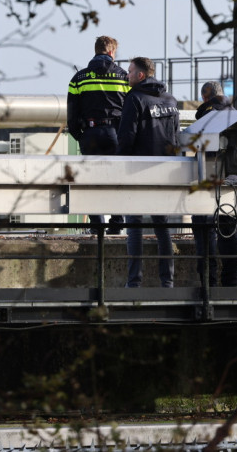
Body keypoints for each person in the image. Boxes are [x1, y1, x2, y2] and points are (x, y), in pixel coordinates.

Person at [116, 57, 179, 287]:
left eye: (130, 71)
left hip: (138, 171)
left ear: (141, 75)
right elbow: (175, 137)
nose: (127, 75)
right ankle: (167, 282)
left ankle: (134, 282)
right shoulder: (171, 100)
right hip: (163, 171)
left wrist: (120, 165)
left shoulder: (134, 99)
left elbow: (126, 137)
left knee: (134, 225)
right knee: (162, 226)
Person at [67, 35, 129, 234]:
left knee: (91, 181)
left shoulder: (79, 78)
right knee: (118, 179)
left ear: (96, 51)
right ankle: (117, 224)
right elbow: (132, 109)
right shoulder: (124, 76)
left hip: (90, 133)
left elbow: (72, 114)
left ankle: (97, 226)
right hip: (117, 134)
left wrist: (81, 135)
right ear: (112, 52)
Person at [191, 81, 237, 287]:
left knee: (205, 242)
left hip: (206, 185)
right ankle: (231, 287)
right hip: (231, 187)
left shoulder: (205, 117)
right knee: (230, 239)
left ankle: (208, 289)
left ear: (205, 98)